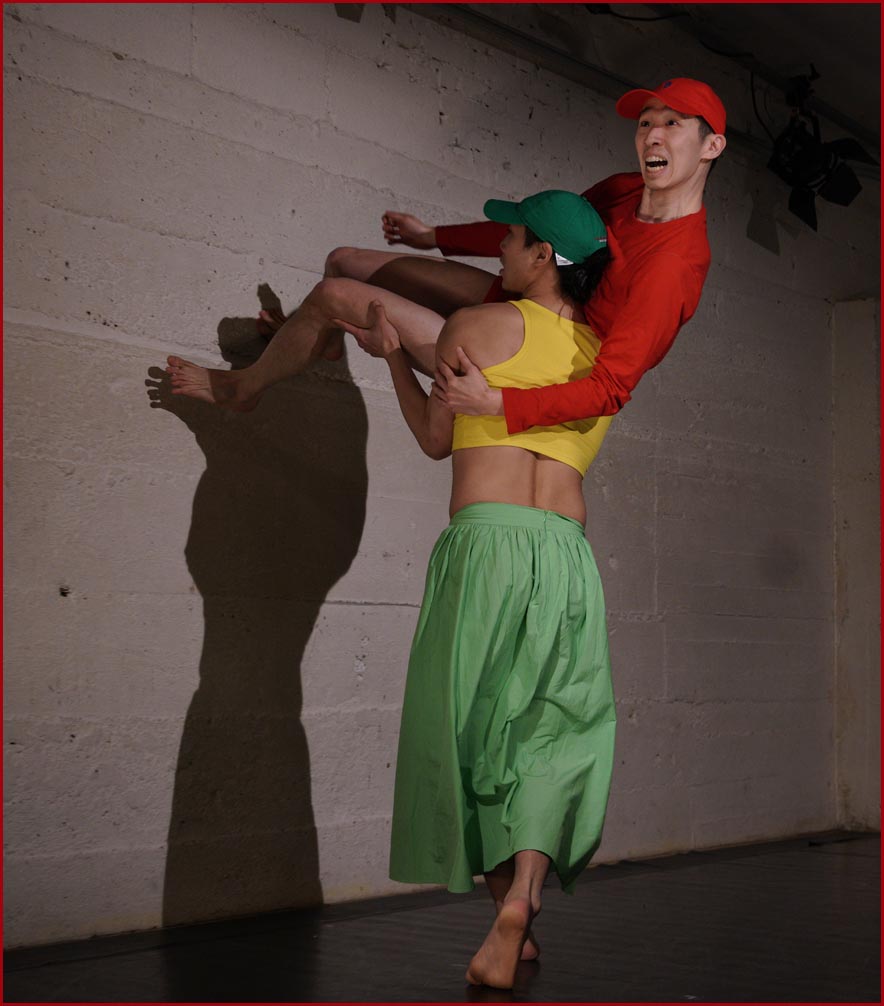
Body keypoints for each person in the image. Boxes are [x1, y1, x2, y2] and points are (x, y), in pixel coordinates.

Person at [333, 189, 616, 990]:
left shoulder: (476, 326)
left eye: (511, 238)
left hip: (487, 546)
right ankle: (519, 907)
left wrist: (392, 353)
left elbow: (435, 439)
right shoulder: (599, 356)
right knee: (550, 733)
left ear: (541, 257)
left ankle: (507, 911)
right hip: (566, 552)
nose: (500, 249)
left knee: (471, 734)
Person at [165, 78, 725, 420]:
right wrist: (434, 237)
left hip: (542, 353)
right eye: (646, 122)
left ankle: (244, 388)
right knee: (343, 262)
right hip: (531, 298)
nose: (652, 135)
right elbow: (536, 230)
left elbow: (610, 388)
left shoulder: (672, 265)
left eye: (673, 124)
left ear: (711, 146)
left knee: (334, 294)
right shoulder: (624, 189)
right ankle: (321, 340)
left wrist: (499, 405)